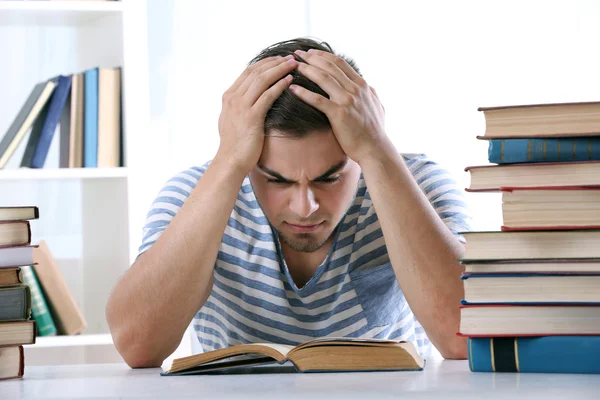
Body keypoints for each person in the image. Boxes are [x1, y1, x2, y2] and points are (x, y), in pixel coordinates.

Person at [106, 38, 471, 368]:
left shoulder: (418, 183)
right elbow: (138, 346)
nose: (304, 207)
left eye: (329, 177)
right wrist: (229, 162)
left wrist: (377, 151)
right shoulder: (194, 191)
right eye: (276, 180)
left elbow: (465, 337)